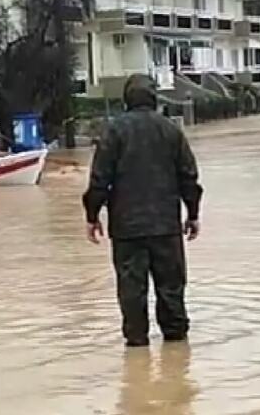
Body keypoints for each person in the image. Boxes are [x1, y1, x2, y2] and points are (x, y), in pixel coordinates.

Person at [82, 74, 204, 347]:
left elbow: (100, 179)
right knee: (171, 288)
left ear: (126, 99)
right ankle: (177, 350)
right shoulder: (171, 131)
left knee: (131, 289)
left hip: (126, 228)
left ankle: (136, 345)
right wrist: (193, 213)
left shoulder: (113, 131)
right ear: (155, 98)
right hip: (165, 226)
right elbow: (189, 176)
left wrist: (92, 216)